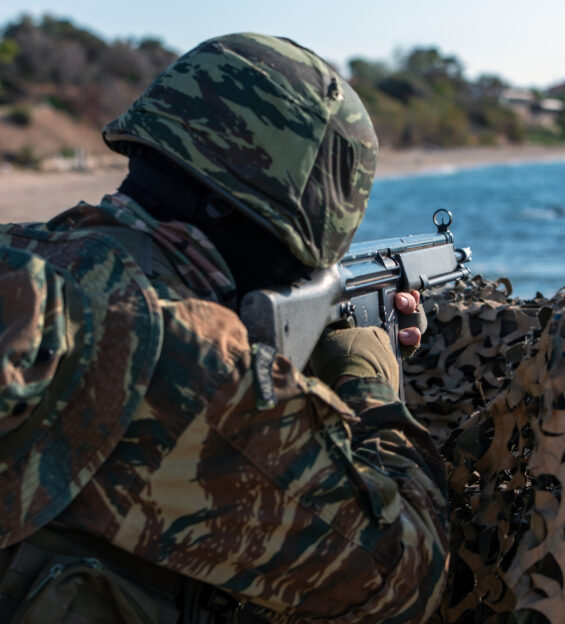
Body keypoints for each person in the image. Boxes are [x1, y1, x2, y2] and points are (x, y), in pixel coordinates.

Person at [0, 33, 448, 623]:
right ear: (289, 232)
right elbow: (403, 579)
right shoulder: (184, 362)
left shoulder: (25, 254)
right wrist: (368, 378)